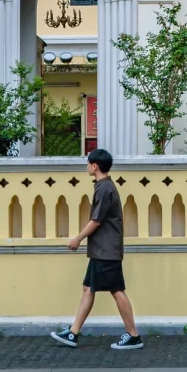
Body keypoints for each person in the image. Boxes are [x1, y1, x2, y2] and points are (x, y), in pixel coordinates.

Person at [50, 148, 142, 351]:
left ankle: (134, 335)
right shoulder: (103, 186)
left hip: (106, 250)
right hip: (102, 249)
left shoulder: (104, 189)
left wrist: (78, 239)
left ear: (95, 166)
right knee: (88, 288)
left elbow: (96, 220)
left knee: (116, 290)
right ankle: (73, 332)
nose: (87, 167)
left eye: (88, 163)